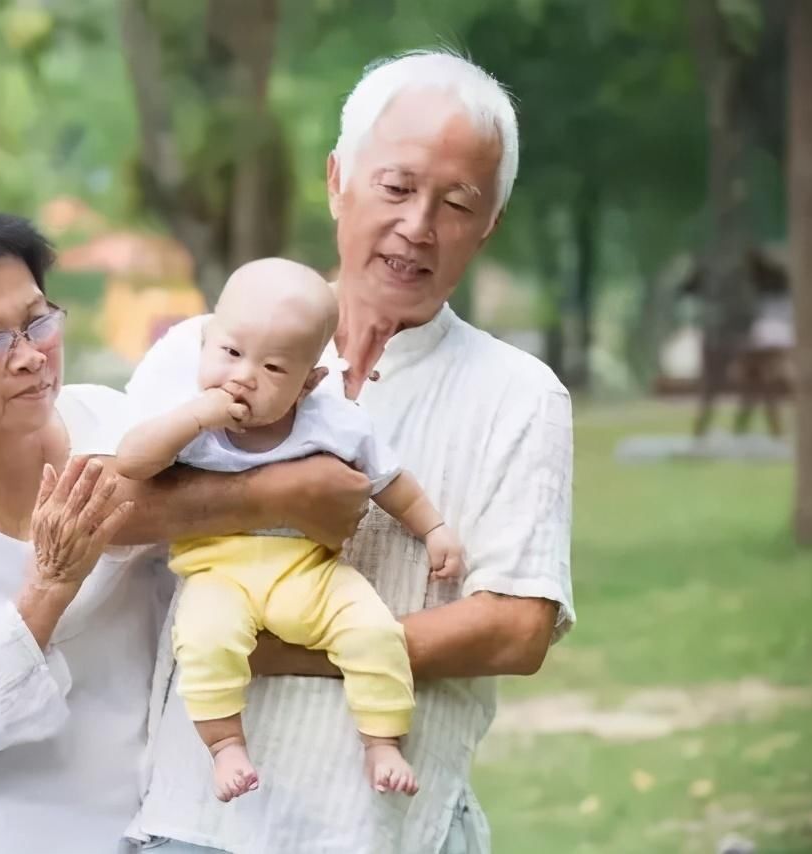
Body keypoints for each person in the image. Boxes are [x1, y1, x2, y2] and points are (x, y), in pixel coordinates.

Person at [126, 49, 575, 853]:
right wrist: (271, 498)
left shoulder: (519, 395)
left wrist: (291, 649)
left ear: (489, 225)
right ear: (338, 180)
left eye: (458, 203)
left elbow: (519, 628)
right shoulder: (199, 353)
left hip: (384, 831)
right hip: (190, 824)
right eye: (396, 188)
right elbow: (100, 513)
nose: (418, 226)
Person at [0, 212, 374, 854]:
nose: (30, 357)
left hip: (137, 832)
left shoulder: (114, 424)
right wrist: (48, 590)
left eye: (37, 320)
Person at [116, 257, 464, 803]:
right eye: (230, 352)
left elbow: (390, 480)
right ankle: (225, 743)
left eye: (274, 369)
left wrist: (435, 528)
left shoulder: (332, 420)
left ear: (309, 383)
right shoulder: (187, 416)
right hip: (216, 571)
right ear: (207, 342)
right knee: (204, 640)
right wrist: (196, 418)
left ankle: (381, 741)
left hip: (311, 572)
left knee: (374, 631)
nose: (243, 376)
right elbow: (132, 461)